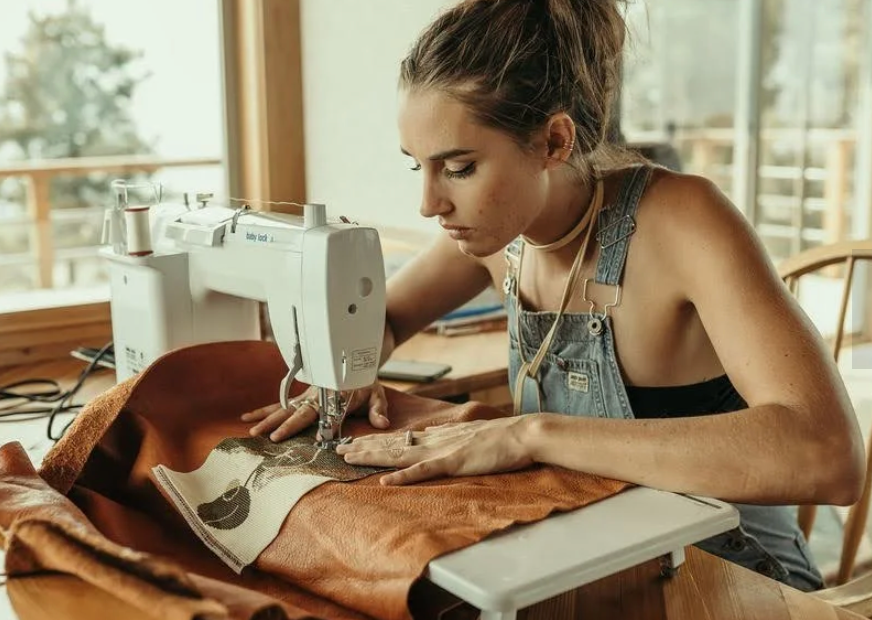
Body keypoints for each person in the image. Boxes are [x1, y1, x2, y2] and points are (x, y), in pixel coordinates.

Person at [241, 0, 863, 592]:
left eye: (458, 169)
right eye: (417, 166)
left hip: (736, 578)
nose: (428, 204)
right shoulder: (498, 239)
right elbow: (386, 320)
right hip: (597, 558)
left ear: (554, 142)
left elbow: (827, 454)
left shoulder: (681, 221)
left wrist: (529, 434)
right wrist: (353, 373)